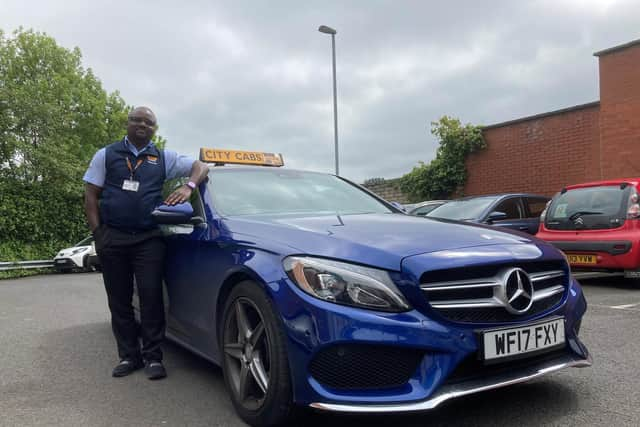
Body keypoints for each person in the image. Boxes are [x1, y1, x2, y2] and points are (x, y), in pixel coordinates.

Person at [83, 106, 209, 380]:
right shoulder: (106, 155)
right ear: (127, 123)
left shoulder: (163, 157)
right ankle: (129, 356)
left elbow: (202, 165)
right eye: (136, 120)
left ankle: (153, 358)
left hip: (148, 238)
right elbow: (91, 196)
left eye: (148, 122)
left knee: (151, 298)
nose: (142, 124)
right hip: (112, 237)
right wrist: (98, 235)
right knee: (119, 300)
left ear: (155, 128)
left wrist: (189, 186)